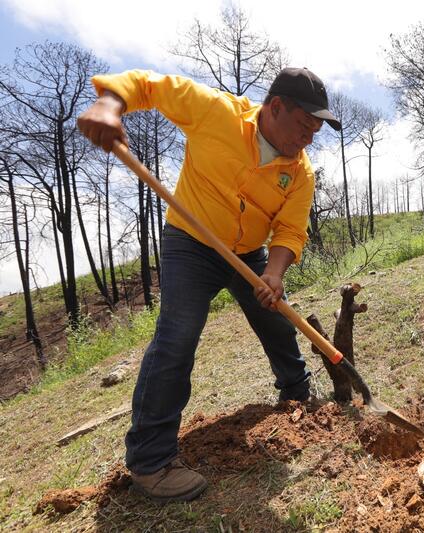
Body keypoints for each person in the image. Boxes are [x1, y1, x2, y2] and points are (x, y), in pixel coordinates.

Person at [77, 67, 341, 502]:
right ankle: (151, 462)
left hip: (252, 255)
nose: (308, 139)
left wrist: (273, 275)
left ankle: (296, 394)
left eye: (316, 131)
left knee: (277, 323)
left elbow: (291, 231)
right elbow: (148, 86)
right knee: (178, 335)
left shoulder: (300, 173)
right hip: (192, 244)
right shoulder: (216, 113)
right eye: (304, 127)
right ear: (275, 108)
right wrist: (109, 104)